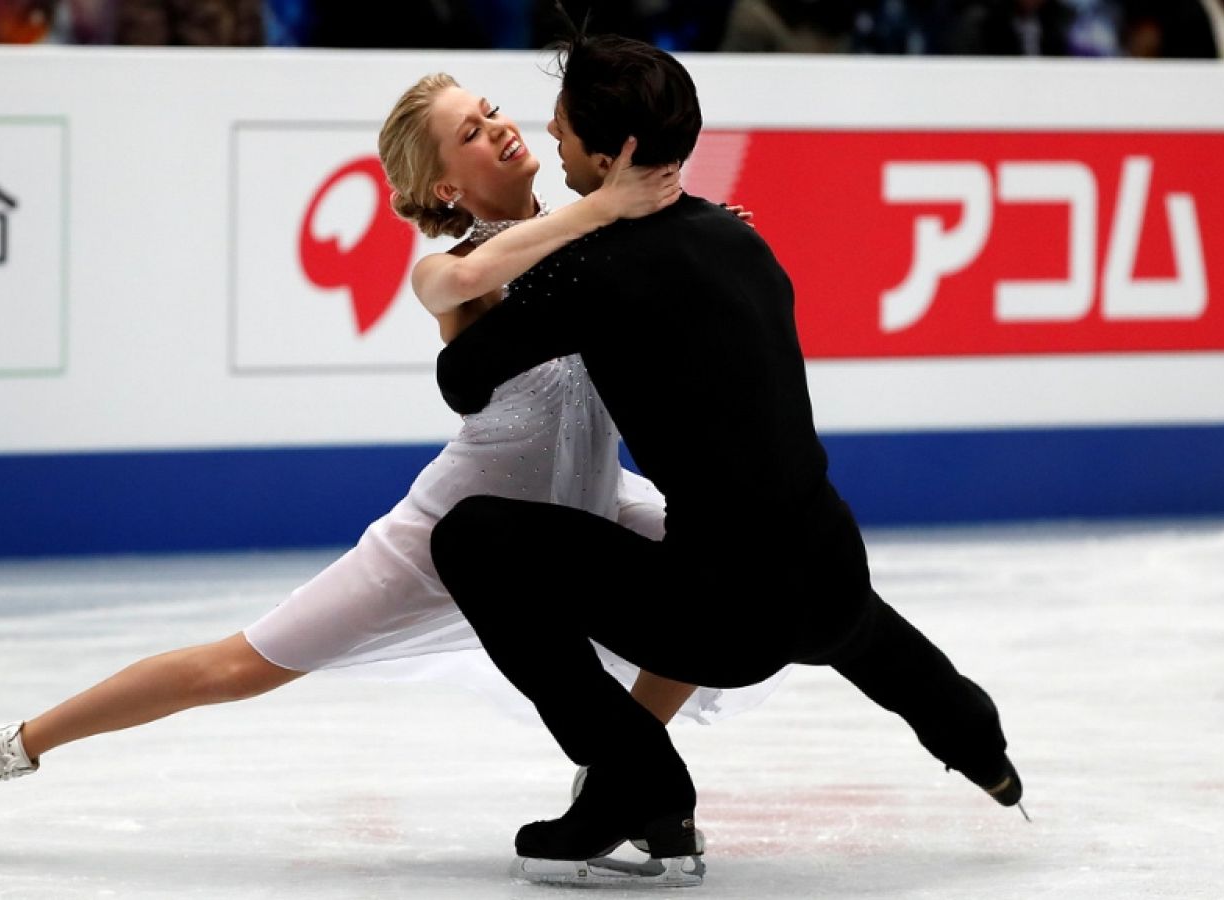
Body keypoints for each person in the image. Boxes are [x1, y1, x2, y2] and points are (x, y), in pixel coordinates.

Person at [0, 71, 778, 818]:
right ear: (442, 188)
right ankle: (8, 747)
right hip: (456, 529)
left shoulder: (615, 237)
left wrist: (697, 237)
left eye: (493, 110)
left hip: (589, 504)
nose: (499, 128)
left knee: (736, 565)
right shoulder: (451, 268)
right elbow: (469, 277)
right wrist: (609, 211)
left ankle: (620, 762)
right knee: (235, 668)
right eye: (470, 133)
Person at [429, 30, 1022, 882]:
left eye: (561, 129)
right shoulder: (738, 238)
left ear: (608, 156)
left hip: (724, 618)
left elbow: (462, 378)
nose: (550, 140)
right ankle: (976, 738)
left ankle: (636, 780)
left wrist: (550, 249)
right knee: (824, 592)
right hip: (831, 570)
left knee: (473, 538)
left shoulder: (592, 270)